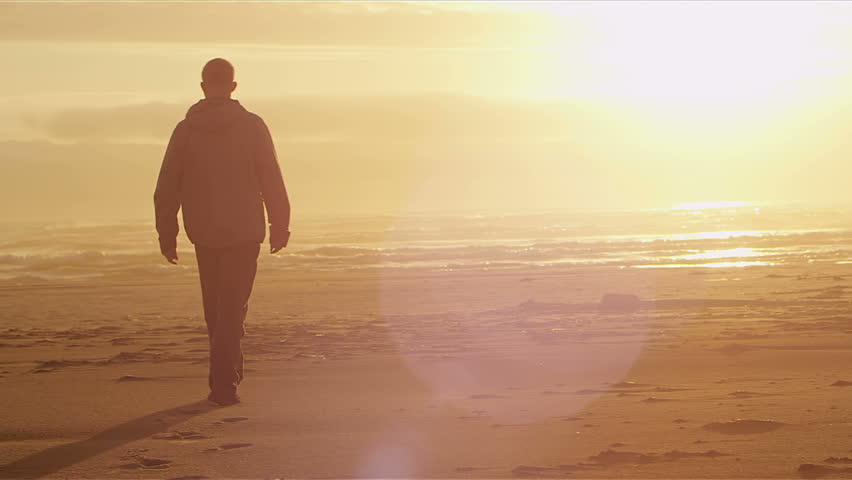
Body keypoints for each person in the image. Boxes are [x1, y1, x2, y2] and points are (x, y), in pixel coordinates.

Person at [154, 58, 291, 406]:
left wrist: (166, 232)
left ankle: (225, 379)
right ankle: (224, 384)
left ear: (203, 86)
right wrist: (280, 222)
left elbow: (167, 185)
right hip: (244, 229)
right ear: (233, 86)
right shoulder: (252, 126)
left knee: (217, 309)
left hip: (203, 230)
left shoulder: (185, 130)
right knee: (231, 308)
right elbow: (271, 177)